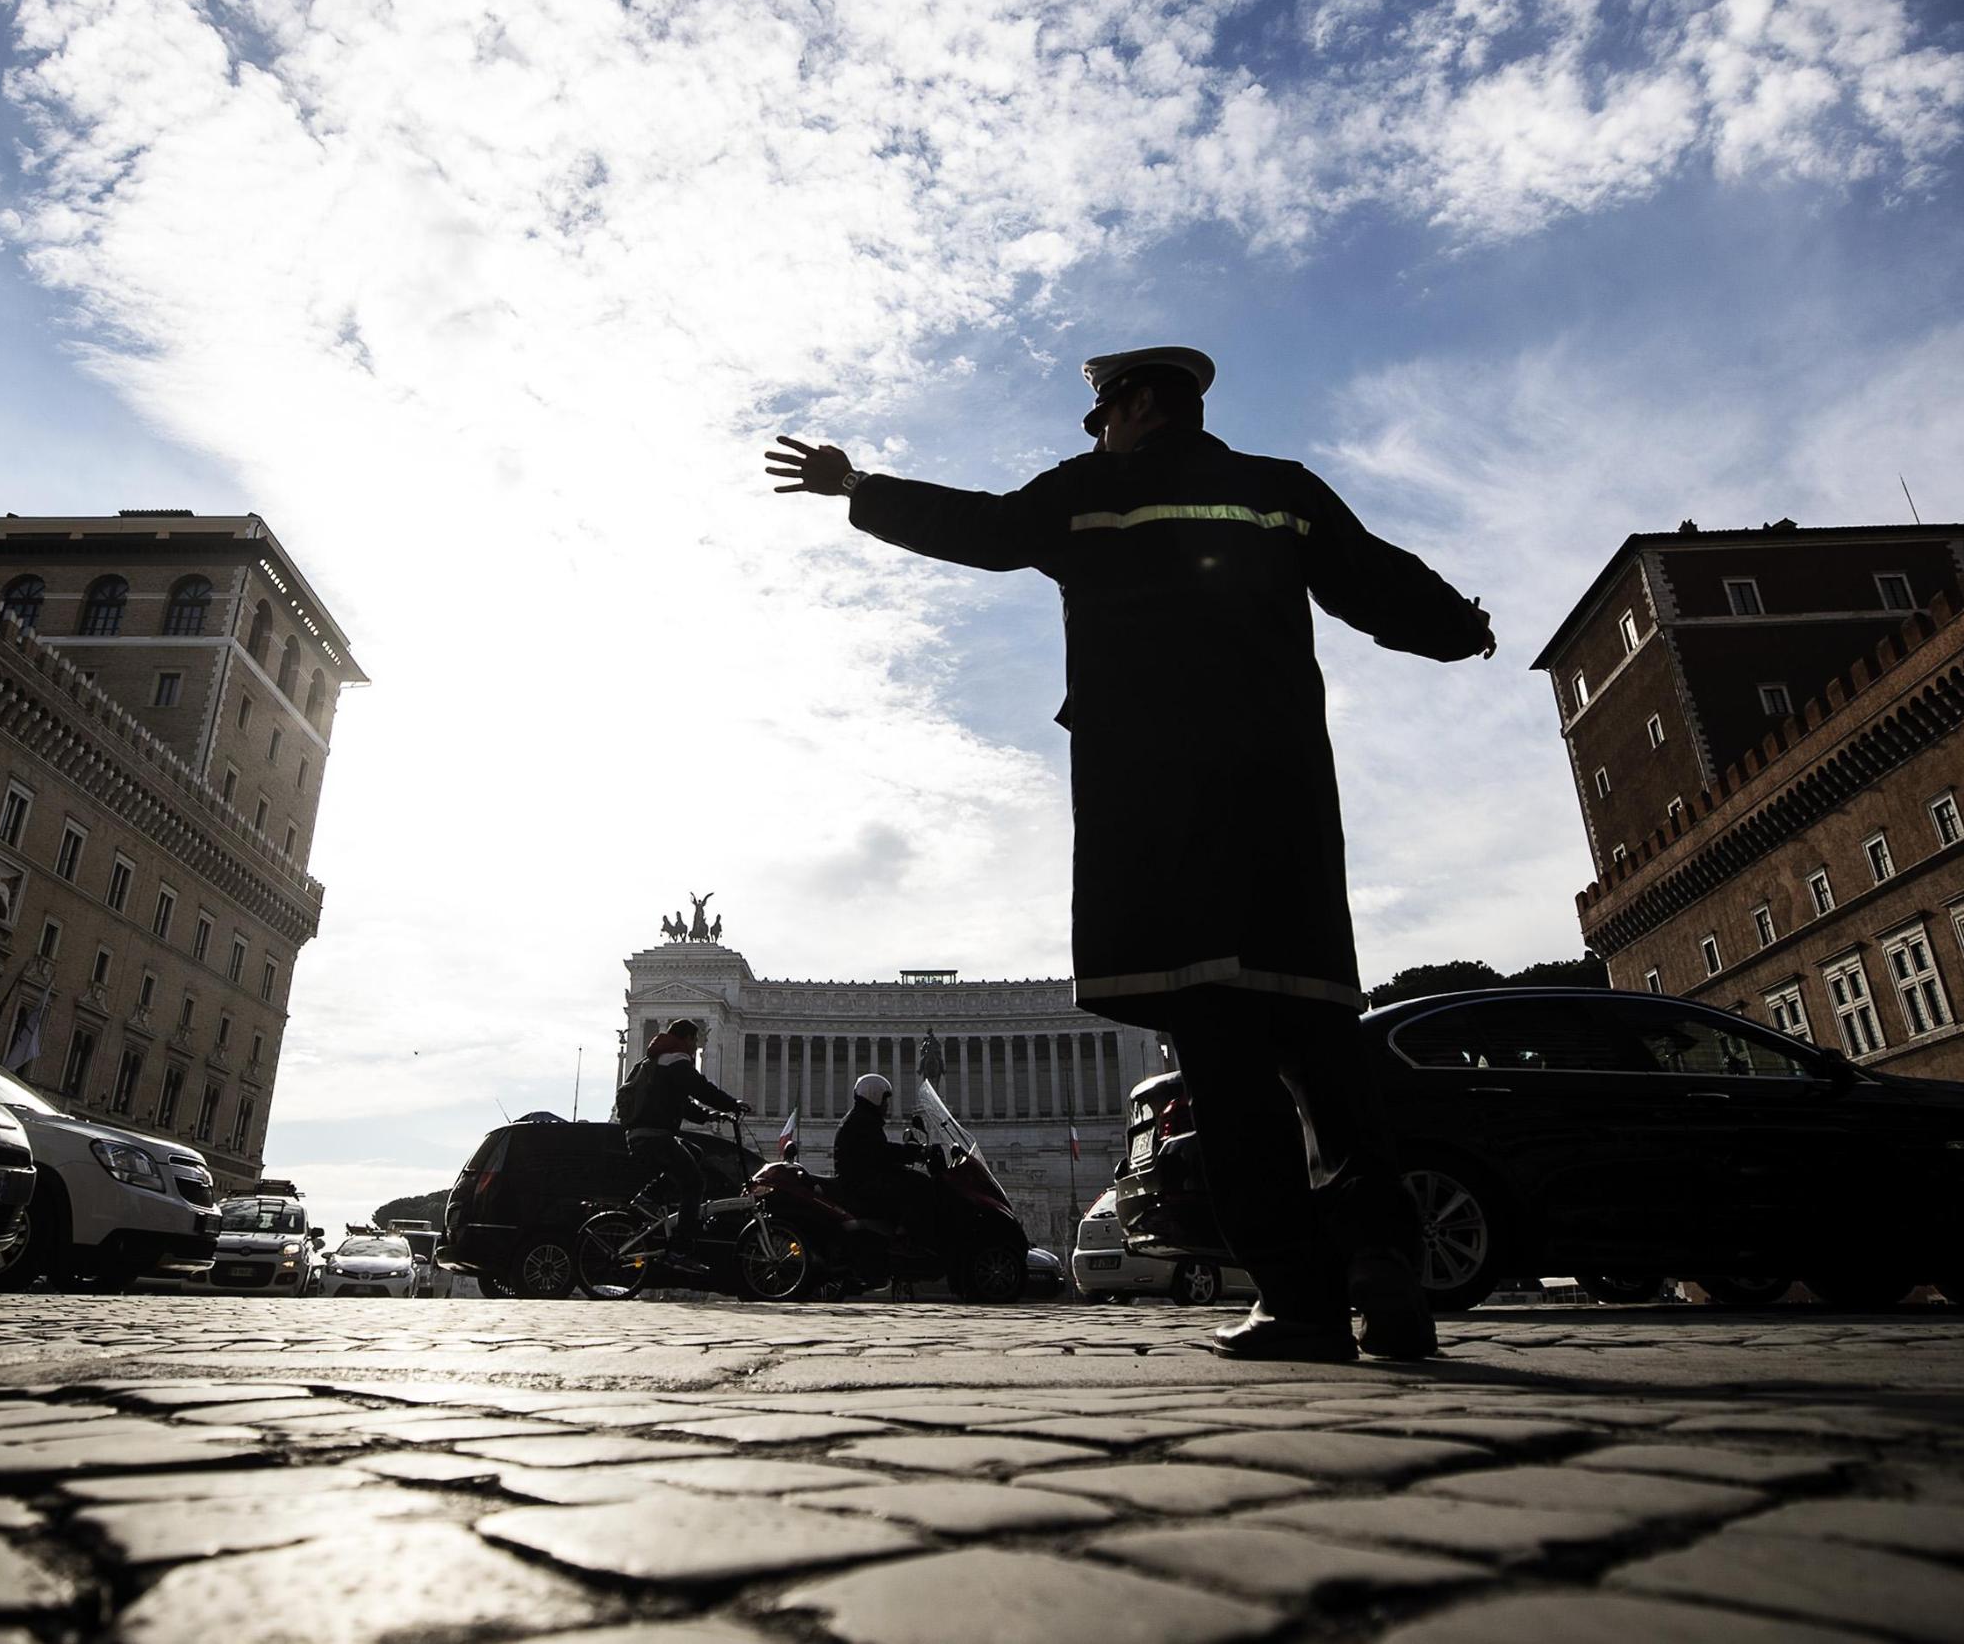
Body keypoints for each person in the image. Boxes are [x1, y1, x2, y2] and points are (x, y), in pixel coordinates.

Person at [768, 347, 1493, 1363]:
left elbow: (981, 527)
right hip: (1280, 797)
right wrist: (1462, 626)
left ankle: (1300, 1298)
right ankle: (1384, 1269)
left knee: (1227, 1062)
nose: (1093, 430)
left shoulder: (1090, 497)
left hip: (1157, 810)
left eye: (1099, 413)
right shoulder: (1277, 491)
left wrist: (859, 487)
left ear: (1138, 405)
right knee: (1322, 1043)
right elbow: (1375, 578)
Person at [615, 1020, 748, 1239]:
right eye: (695, 1040)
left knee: (694, 1153)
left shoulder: (653, 1062)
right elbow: (700, 1088)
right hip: (655, 1136)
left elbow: (681, 1103)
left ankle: (649, 1198)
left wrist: (708, 1116)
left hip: (642, 1133)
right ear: (687, 1038)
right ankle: (681, 1248)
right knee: (694, 1183)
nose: (696, 1045)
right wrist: (732, 1104)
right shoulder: (675, 1059)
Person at [833, 1072, 966, 1252]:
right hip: (861, 1183)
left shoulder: (860, 1118)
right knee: (921, 1185)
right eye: (885, 1100)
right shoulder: (862, 1121)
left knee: (908, 1180)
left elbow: (875, 1152)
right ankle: (903, 1239)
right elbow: (881, 1152)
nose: (887, 1106)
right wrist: (914, 1152)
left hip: (860, 1179)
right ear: (874, 1097)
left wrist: (907, 1154)